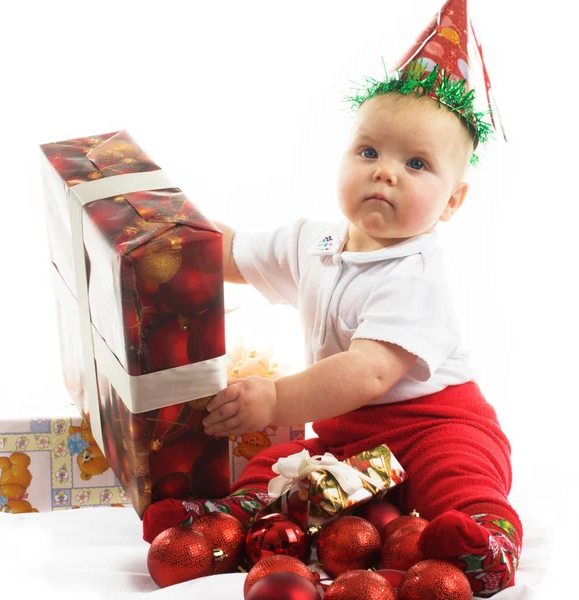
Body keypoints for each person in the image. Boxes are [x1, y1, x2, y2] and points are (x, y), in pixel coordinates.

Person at [143, 1, 521, 596]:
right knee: (280, 465)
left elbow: (369, 372)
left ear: (452, 202)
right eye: (369, 151)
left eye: (416, 164)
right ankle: (225, 523)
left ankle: (484, 541)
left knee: (458, 473)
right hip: (350, 436)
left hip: (435, 421)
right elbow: (233, 251)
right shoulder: (313, 243)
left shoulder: (415, 273)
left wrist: (275, 398)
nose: (385, 173)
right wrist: (167, 236)